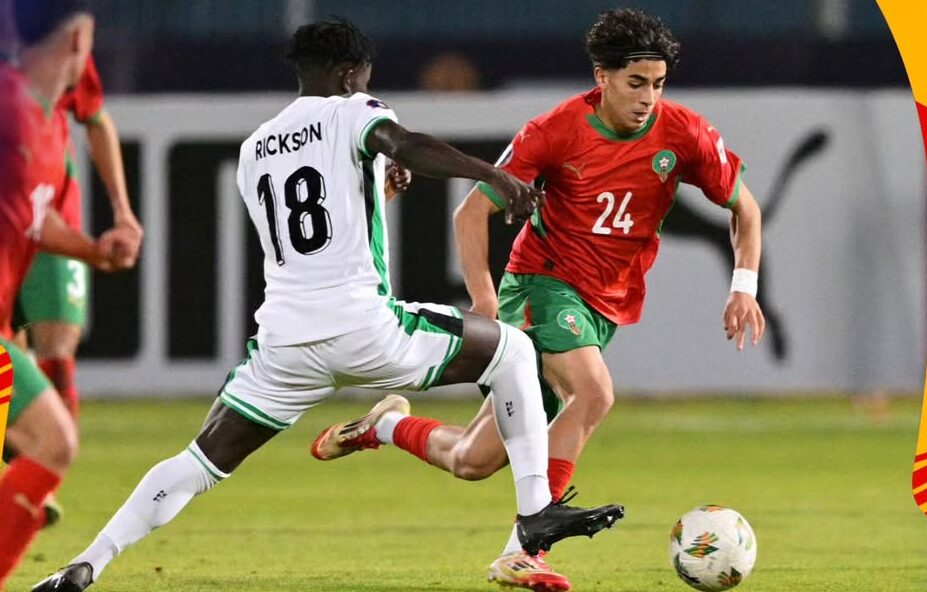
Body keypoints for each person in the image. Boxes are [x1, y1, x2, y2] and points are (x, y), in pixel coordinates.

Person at [32, 19, 624, 592]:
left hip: (285, 347)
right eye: (364, 78)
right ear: (348, 75)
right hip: (365, 329)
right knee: (513, 350)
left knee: (198, 461)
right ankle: (535, 513)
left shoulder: (255, 148)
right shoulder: (352, 110)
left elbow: (309, 233)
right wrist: (495, 176)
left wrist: (375, 192)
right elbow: (404, 144)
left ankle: (87, 563)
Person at [312, 8, 765, 591]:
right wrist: (483, 302)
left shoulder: (684, 133)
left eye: (657, 84)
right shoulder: (554, 131)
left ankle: (385, 426)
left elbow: (744, 209)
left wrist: (743, 286)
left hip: (603, 306)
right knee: (593, 393)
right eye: (635, 83)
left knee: (472, 460)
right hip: (541, 286)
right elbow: (471, 212)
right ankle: (526, 548)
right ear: (602, 77)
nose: (648, 98)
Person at [0, 1, 134, 588]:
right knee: (51, 440)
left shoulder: (42, 121)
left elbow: (32, 216)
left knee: (52, 440)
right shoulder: (10, 110)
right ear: (79, 39)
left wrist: (93, 250)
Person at [13, 53, 143, 422]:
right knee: (11, 378)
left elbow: (96, 118)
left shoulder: (61, 46)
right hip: (15, 225)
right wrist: (93, 251)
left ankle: (49, 455)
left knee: (57, 368)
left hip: (54, 220)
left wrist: (122, 211)